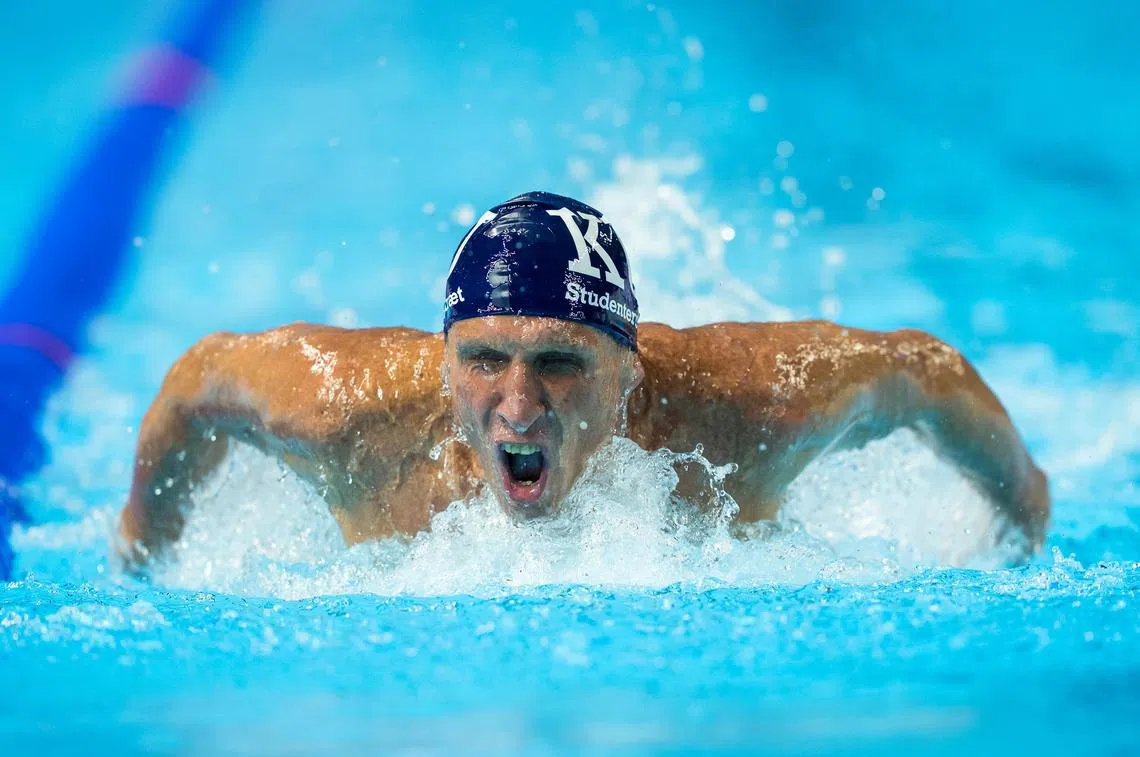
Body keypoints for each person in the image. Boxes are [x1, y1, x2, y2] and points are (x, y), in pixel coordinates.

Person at [117, 191, 1049, 565]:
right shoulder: (338, 411)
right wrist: (142, 540)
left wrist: (1022, 510)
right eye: (483, 360)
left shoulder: (759, 407)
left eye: (559, 364)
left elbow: (928, 372)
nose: (516, 406)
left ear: (626, 376)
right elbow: (197, 383)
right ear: (446, 366)